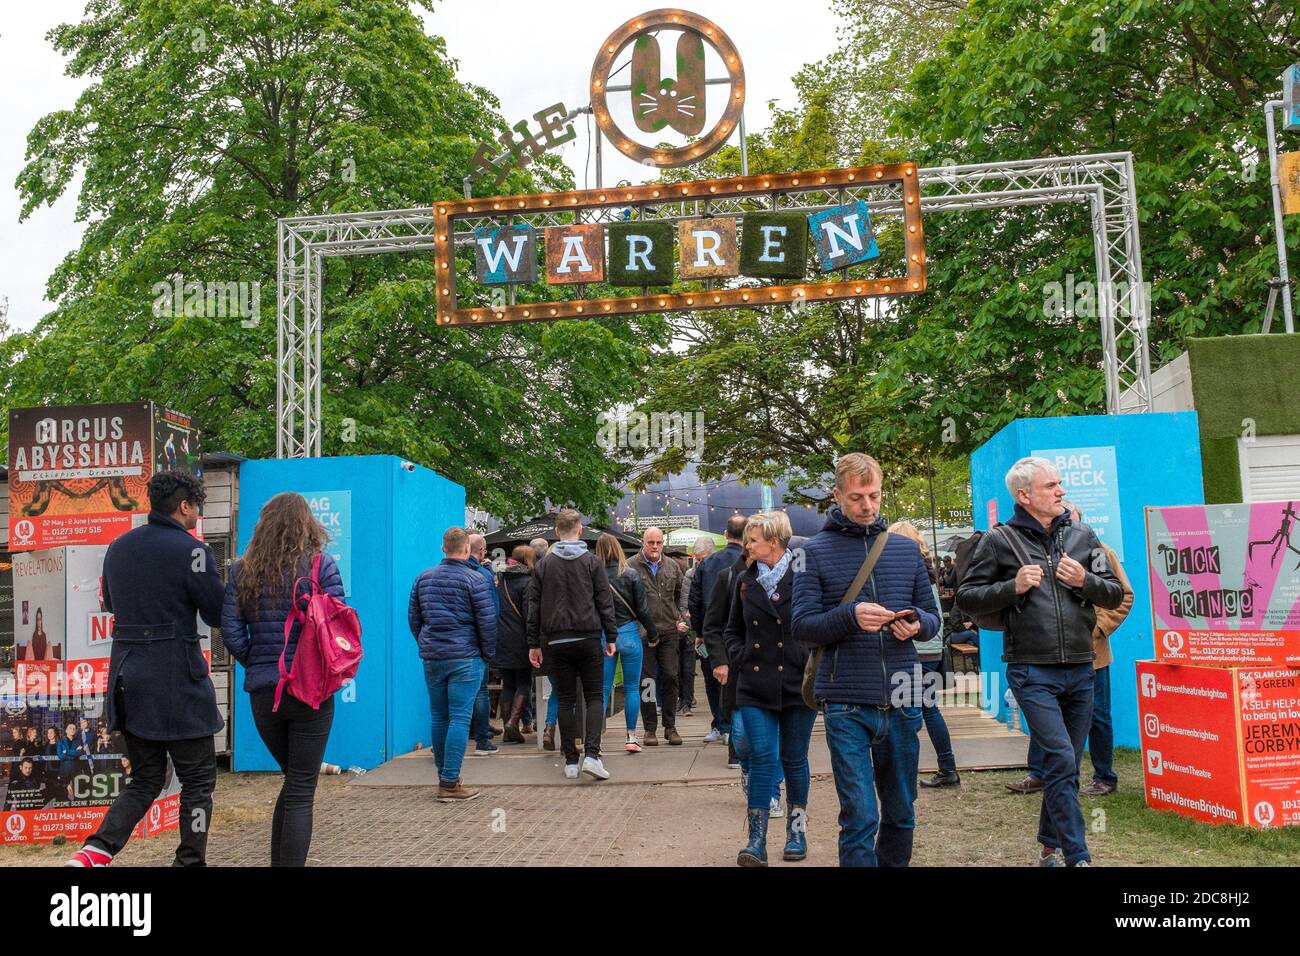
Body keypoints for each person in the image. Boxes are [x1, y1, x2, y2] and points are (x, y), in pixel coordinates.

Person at [957, 458, 1123, 867]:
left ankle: (1049, 845)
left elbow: (1116, 593)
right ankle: (1077, 855)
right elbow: (967, 597)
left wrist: (1084, 581)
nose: (1061, 491)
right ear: (1025, 495)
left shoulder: (1084, 535)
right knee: (1063, 759)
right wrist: (1011, 587)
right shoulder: (1000, 541)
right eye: (1052, 485)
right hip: (1032, 670)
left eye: (1061, 484)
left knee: (1062, 762)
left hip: (1083, 669)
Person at [67, 470, 225, 868]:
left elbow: (111, 605)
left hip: (128, 678)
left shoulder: (118, 548)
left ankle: (94, 852)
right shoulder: (193, 551)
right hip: (179, 683)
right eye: (196, 505)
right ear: (184, 505)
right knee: (198, 781)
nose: (197, 513)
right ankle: (190, 862)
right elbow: (217, 611)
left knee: (145, 779)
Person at [791, 453, 940, 867]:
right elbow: (801, 627)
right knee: (859, 815)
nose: (868, 506)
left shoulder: (905, 551)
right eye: (857, 497)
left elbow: (930, 616)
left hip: (904, 697)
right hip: (846, 700)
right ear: (837, 495)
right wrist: (850, 616)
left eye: (874, 495)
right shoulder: (813, 552)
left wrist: (917, 626)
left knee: (901, 812)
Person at [220, 491, 347, 865]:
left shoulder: (243, 569)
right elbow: (338, 623)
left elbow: (229, 631)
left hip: (265, 693)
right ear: (308, 524)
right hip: (311, 691)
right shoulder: (321, 566)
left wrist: (257, 663)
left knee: (294, 781)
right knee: (301, 787)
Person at [1007, 501, 1134, 798]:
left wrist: (1097, 629)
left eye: (1068, 520)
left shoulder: (1100, 552)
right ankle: (1039, 773)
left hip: (1092, 655)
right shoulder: (1036, 554)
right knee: (1047, 716)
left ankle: (1104, 776)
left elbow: (1124, 596)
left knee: (1098, 717)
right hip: (1051, 655)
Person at [723, 512, 815, 866]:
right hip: (755, 684)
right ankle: (756, 840)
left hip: (797, 683)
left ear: (774, 542)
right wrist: (740, 656)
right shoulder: (744, 582)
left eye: (753, 540)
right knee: (761, 757)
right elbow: (731, 630)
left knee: (794, 760)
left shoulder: (805, 577)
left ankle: (796, 831)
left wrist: (808, 657)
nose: (746, 545)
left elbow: (819, 622)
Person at [527, 510, 618, 780]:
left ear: (557, 532)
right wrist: (611, 636)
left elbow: (534, 606)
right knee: (594, 697)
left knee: (565, 699)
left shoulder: (544, 565)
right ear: (580, 530)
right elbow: (604, 601)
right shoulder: (591, 562)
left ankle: (569, 760)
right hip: (588, 636)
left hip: (555, 640)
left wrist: (534, 643)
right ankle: (592, 754)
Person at [408, 526, 497, 802]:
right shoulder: (475, 580)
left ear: (443, 547)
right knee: (460, 717)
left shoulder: (423, 579)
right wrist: (487, 654)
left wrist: (426, 642)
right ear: (467, 550)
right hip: (466, 656)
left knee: (439, 717)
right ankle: (449, 782)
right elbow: (487, 622)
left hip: (434, 657)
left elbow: (414, 620)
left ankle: (444, 777)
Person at [888, 521, 960, 790]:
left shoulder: (907, 575)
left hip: (918, 651)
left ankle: (913, 766)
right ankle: (947, 767)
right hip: (930, 650)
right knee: (929, 709)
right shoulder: (927, 573)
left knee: (915, 711)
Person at [596, 533, 657, 753]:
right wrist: (653, 634)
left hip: (604, 636)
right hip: (630, 633)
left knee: (602, 690)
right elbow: (642, 609)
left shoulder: (594, 575)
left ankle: (597, 741)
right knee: (632, 688)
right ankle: (631, 736)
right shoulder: (630, 574)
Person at [628, 527, 689, 746]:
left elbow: (682, 596)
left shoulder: (672, 566)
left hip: (669, 631)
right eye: (651, 542)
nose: (655, 546)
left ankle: (670, 727)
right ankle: (650, 728)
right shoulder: (631, 566)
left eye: (659, 542)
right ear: (643, 543)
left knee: (671, 676)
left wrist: (683, 619)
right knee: (647, 681)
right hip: (643, 633)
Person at [692, 517, 745, 744]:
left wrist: (699, 632)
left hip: (711, 631)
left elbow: (694, 600)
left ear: (725, 534)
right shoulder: (749, 561)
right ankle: (734, 727)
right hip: (743, 633)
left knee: (713, 680)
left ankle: (720, 724)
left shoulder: (708, 564)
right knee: (740, 680)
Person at [495, 546, 535, 744]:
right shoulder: (527, 582)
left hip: (501, 638)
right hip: (520, 639)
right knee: (524, 682)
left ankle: (506, 728)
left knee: (508, 684)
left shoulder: (501, 581)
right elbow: (529, 615)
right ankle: (513, 722)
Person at [465, 533, 500, 757]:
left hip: (442, 649)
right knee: (480, 691)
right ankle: (481, 739)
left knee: (448, 701)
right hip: (476, 644)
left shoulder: (432, 575)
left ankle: (442, 746)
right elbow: (492, 614)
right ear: (482, 551)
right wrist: (489, 647)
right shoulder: (483, 576)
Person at [679, 538, 713, 717]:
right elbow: (684, 603)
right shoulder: (690, 575)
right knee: (688, 666)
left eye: (702, 558)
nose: (699, 563)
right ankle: (687, 701)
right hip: (694, 629)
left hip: (712, 630)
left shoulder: (719, 573)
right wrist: (688, 618)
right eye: (697, 559)